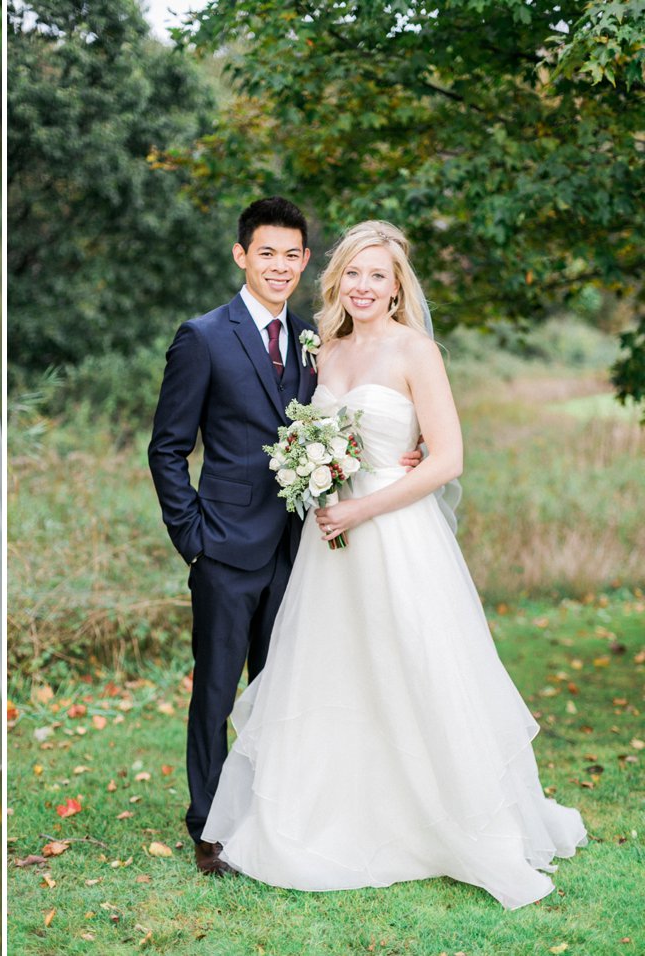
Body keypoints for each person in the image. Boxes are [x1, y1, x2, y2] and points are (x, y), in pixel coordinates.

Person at [201, 220, 587, 907]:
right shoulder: (328, 351)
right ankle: (333, 813)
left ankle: (442, 817)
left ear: (397, 285)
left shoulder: (417, 351)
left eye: (378, 275)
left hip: (393, 533)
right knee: (335, 669)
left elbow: (447, 459)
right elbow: (317, 433)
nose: (364, 286)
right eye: (354, 272)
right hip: (331, 543)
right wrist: (318, 479)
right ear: (337, 279)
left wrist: (364, 505)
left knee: (414, 665)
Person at [149, 198, 422, 875]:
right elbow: (168, 448)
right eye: (265, 252)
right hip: (225, 547)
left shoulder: (316, 341)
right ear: (242, 255)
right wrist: (194, 538)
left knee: (284, 689)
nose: (278, 265)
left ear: (304, 262)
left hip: (304, 547)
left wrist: (404, 454)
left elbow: (350, 423)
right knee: (215, 690)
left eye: (291, 254)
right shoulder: (203, 336)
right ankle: (208, 826)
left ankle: (274, 811)